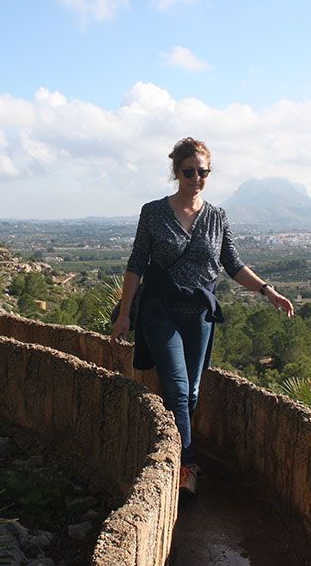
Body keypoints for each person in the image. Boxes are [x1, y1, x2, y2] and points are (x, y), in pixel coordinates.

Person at [110, 137, 294, 498]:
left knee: (191, 392)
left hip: (199, 315)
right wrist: (124, 314)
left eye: (203, 172)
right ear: (176, 172)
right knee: (178, 391)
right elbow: (136, 265)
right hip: (160, 310)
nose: (196, 178)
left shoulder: (217, 217)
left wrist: (267, 290)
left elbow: (233, 264)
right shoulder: (153, 212)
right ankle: (187, 467)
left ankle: (164, 448)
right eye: (189, 171)